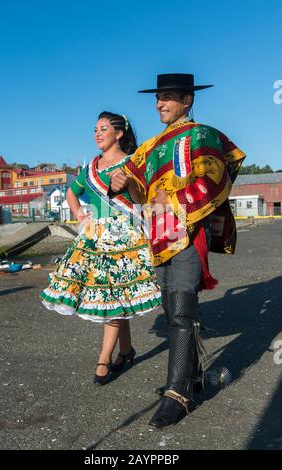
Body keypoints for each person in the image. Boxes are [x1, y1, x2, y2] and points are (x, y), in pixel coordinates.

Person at [110, 74, 246, 428]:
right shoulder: (151, 146)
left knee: (183, 309)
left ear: (188, 100)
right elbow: (138, 188)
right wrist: (122, 183)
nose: (159, 103)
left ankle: (178, 393)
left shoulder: (202, 135)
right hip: (158, 234)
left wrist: (170, 199)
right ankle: (195, 374)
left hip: (188, 229)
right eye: (157, 98)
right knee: (172, 308)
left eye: (168, 97)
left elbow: (216, 176)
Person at [41, 111, 161, 385]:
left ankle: (103, 361)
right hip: (95, 239)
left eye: (103, 128)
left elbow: (143, 199)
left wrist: (129, 184)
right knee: (115, 297)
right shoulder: (91, 168)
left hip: (126, 240)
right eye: (95, 129)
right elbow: (72, 192)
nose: (97, 133)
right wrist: (80, 215)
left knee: (114, 298)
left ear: (119, 133)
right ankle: (126, 351)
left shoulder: (133, 164)